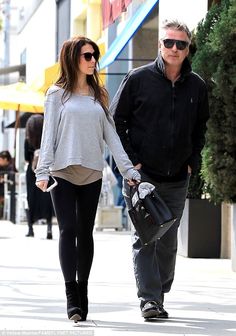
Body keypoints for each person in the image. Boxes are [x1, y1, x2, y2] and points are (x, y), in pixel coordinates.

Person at [34, 36, 141, 323]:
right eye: (87, 55)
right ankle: (72, 296)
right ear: (73, 59)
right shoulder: (56, 94)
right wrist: (42, 171)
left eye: (95, 55)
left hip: (92, 172)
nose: (93, 60)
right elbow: (49, 138)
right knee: (68, 230)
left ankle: (84, 290)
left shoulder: (99, 95)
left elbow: (112, 137)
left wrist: (128, 170)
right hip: (63, 172)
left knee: (86, 232)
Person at [111, 19, 209, 319]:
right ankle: (149, 300)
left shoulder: (197, 86)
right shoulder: (137, 79)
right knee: (145, 238)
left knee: (167, 241)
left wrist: (194, 162)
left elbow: (200, 128)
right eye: (169, 42)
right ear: (159, 45)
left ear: (188, 47)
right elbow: (116, 121)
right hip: (143, 177)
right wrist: (131, 163)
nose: (174, 48)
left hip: (178, 176)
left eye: (181, 44)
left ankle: (160, 290)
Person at [25, 114, 54, 239]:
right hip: (46, 171)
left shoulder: (27, 140)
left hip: (32, 173)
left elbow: (26, 157)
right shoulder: (47, 139)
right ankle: (49, 228)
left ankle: (30, 229)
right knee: (47, 199)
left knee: (31, 200)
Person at [0, 150, 14, 218]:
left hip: (9, 189)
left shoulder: (11, 167)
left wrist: (4, 179)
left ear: (5, 159)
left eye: (0, 159)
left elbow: (12, 179)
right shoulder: (2, 167)